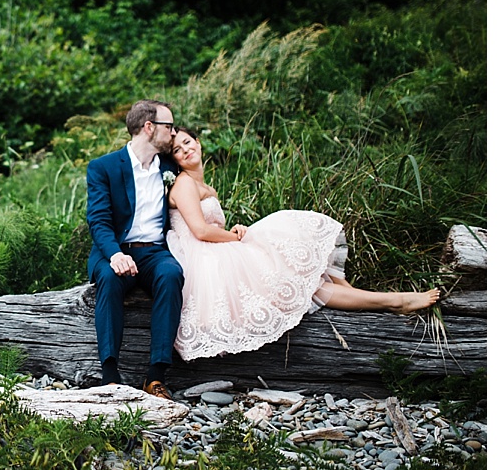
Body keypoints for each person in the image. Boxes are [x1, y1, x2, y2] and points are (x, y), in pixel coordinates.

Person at [166, 127, 442, 361]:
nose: (185, 150)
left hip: (218, 250)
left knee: (298, 263)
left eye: (187, 142)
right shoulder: (184, 184)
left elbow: (213, 227)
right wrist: (238, 236)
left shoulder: (206, 188)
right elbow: (201, 231)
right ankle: (392, 302)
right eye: (177, 150)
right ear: (175, 159)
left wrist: (234, 230)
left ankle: (364, 296)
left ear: (198, 142)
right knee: (293, 261)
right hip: (205, 259)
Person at [86, 100, 184, 399]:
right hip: (116, 248)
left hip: (155, 251)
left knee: (172, 275)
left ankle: (156, 376)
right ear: (149, 127)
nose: (174, 133)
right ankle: (110, 374)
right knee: (109, 279)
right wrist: (115, 254)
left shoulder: (170, 167)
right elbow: (99, 220)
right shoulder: (103, 167)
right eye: (170, 126)